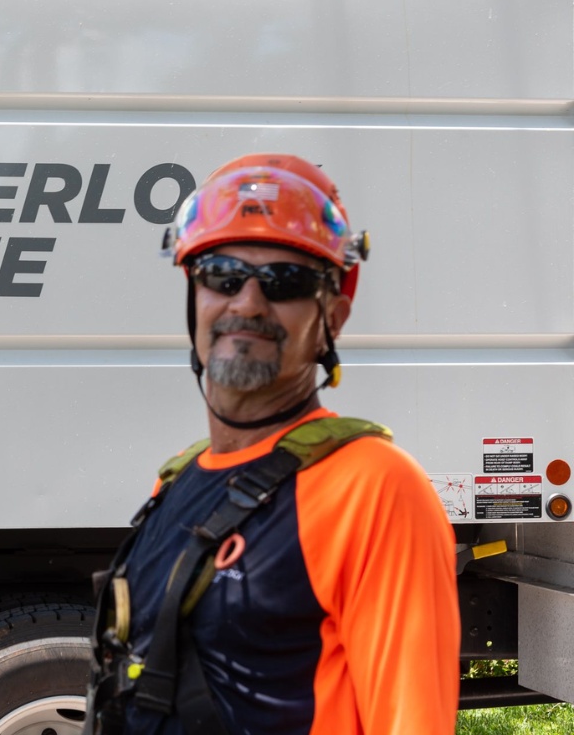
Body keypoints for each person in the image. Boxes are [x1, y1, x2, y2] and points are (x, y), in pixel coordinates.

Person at [85, 154, 459, 735]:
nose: (248, 303)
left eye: (286, 281)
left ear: (332, 314)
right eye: (223, 275)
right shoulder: (176, 482)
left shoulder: (374, 489)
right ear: (196, 297)